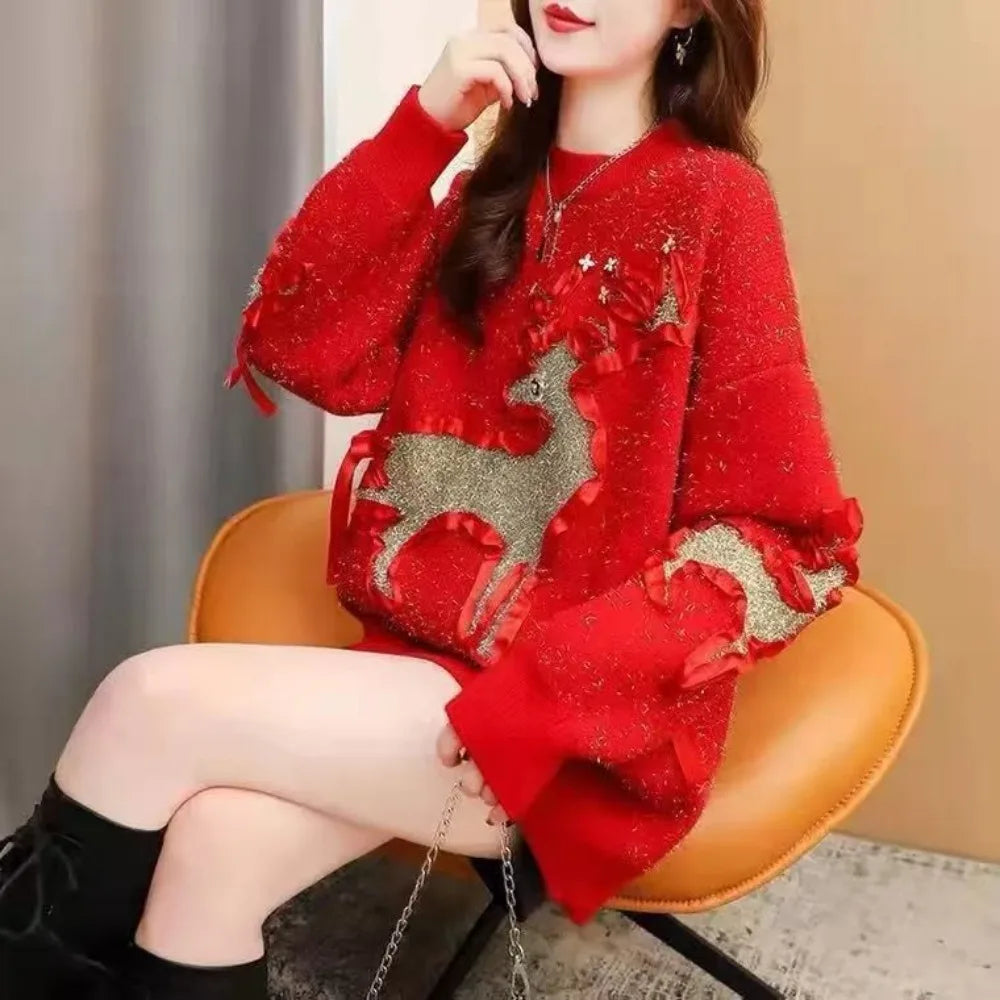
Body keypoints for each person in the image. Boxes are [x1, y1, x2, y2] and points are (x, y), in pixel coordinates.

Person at [0, 1, 863, 997]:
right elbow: (297, 342)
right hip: (408, 670)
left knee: (145, 701)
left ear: (692, 9)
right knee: (213, 848)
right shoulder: (490, 189)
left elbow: (789, 542)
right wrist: (426, 123)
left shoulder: (716, 203)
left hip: (562, 725)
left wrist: (549, 688)